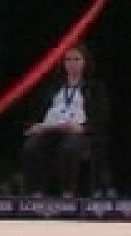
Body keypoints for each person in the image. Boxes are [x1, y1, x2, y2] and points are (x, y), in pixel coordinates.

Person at [21, 43, 110, 198]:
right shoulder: (53, 86)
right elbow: (39, 110)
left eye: (77, 59)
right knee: (31, 147)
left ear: (85, 62)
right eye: (68, 59)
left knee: (69, 147)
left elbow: (101, 116)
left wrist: (84, 128)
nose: (72, 64)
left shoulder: (94, 87)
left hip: (77, 130)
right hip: (50, 129)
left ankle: (67, 193)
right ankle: (35, 193)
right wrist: (35, 125)